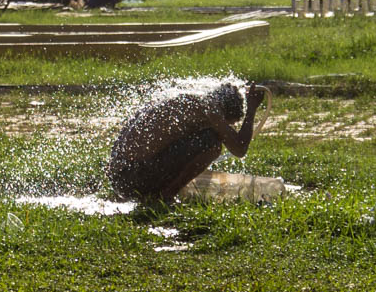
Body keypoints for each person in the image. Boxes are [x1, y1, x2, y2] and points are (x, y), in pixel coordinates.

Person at [106, 82, 265, 202]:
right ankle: (165, 198)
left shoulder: (186, 97)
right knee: (212, 142)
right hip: (132, 179)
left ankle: (155, 193)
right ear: (224, 112)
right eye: (228, 124)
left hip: (118, 178)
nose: (226, 129)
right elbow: (239, 149)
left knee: (202, 139)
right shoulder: (211, 107)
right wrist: (251, 109)